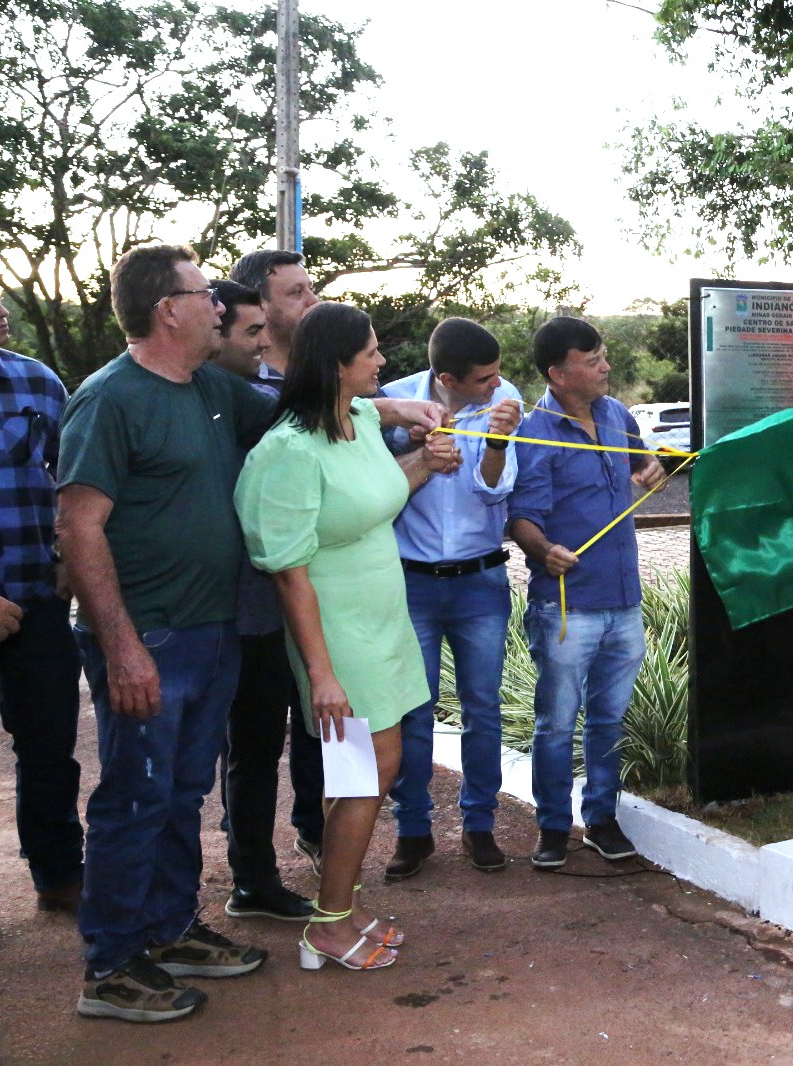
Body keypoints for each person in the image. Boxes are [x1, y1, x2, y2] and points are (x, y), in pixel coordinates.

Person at [58, 245, 274, 1021]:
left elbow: (298, 418)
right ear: (166, 309)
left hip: (211, 628)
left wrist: (391, 411)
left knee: (181, 791)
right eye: (202, 292)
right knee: (135, 797)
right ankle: (111, 966)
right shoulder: (109, 399)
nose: (218, 306)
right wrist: (121, 646)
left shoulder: (213, 387)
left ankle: (170, 928)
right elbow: (79, 528)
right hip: (147, 637)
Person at [235, 301, 461, 972]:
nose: (383, 362)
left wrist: (428, 458)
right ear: (337, 365)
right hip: (335, 634)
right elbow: (288, 574)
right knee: (371, 768)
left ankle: (342, 905)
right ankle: (329, 925)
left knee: (362, 773)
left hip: (382, 622)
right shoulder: (286, 451)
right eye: (370, 352)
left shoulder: (358, 418)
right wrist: (323, 673)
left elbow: (383, 494)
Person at [508, 316, 664, 870]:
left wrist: (649, 471)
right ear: (558, 372)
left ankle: (600, 818)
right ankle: (552, 826)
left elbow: (648, 464)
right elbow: (522, 517)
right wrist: (541, 549)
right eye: (592, 358)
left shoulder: (617, 414)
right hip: (566, 608)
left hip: (624, 600)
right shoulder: (535, 431)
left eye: (603, 356)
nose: (605, 366)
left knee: (608, 719)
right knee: (556, 723)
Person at [383, 318, 523, 879]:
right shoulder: (392, 401)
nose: (497, 385)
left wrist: (496, 440)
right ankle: (412, 831)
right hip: (410, 580)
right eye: (484, 379)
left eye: (497, 375)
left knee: (483, 709)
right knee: (413, 713)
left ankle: (479, 825)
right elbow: (373, 487)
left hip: (480, 579)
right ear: (446, 378)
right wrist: (414, 451)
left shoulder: (505, 399)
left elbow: (496, 487)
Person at [206, 279, 324, 923]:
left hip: (273, 606)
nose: (261, 345)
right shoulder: (228, 398)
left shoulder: (248, 396)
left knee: (269, 747)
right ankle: (245, 879)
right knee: (242, 755)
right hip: (225, 613)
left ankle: (260, 875)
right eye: (249, 333)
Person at [0, 264, 84, 956]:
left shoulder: (36, 382)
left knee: (50, 748)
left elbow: (75, 476)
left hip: (37, 602)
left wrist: (71, 559)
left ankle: (60, 873)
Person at [229, 249, 319, 379]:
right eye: (297, 292)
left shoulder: (330, 372)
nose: (314, 300)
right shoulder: (240, 383)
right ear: (258, 304)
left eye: (311, 289)